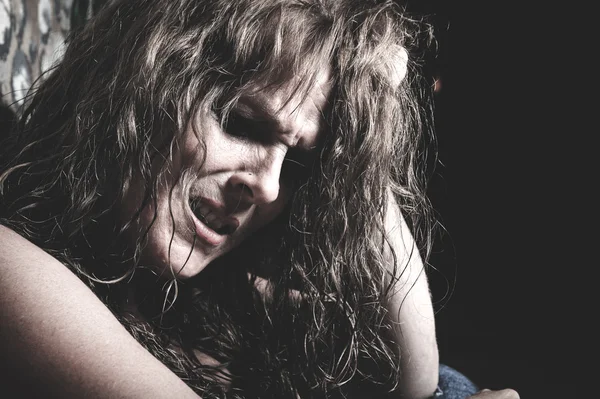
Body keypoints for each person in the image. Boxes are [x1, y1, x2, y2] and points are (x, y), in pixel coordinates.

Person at [0, 0, 519, 398]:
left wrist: (364, 136)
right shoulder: (12, 269)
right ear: (140, 87)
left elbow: (414, 381)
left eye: (296, 167)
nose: (268, 187)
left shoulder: (225, 298)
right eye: (242, 125)